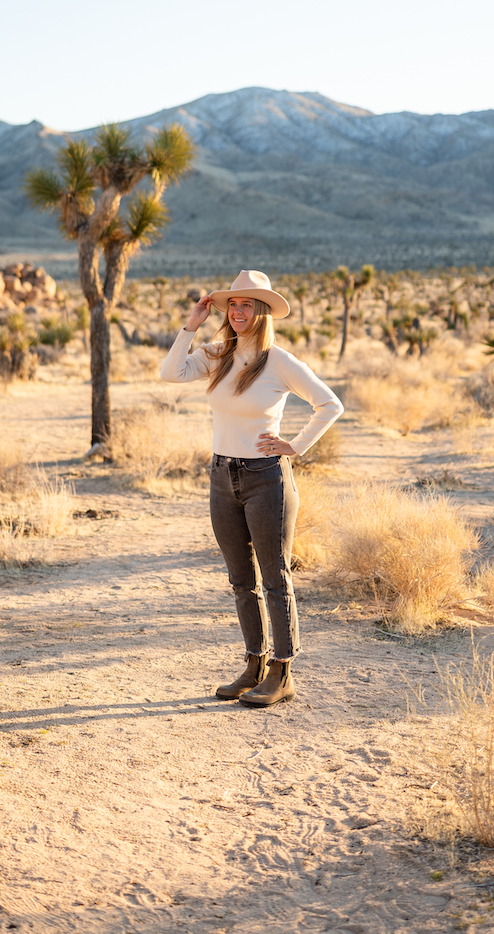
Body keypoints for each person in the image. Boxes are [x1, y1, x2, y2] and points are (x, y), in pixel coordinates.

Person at [160, 269, 344, 707]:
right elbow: (170, 373)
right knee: (241, 580)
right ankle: (254, 665)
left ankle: (283, 672)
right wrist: (192, 323)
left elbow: (329, 404)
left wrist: (294, 445)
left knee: (274, 577)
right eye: (233, 305)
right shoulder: (218, 351)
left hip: (266, 478)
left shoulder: (279, 361)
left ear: (262, 312)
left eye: (247, 305)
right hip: (222, 476)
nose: (238, 312)